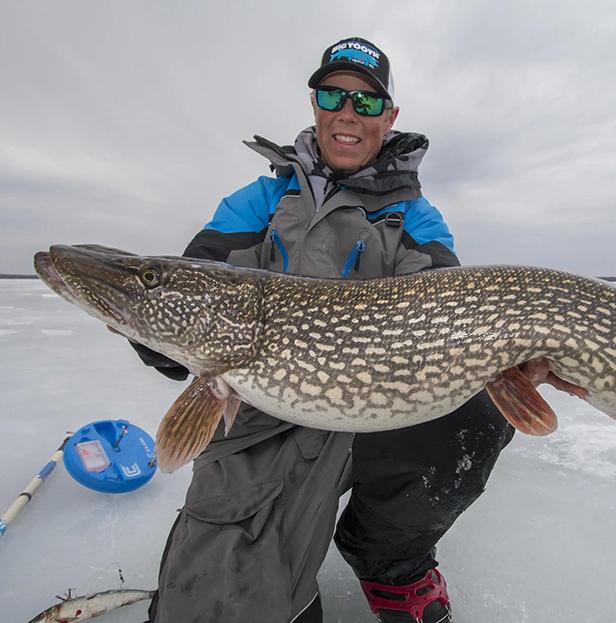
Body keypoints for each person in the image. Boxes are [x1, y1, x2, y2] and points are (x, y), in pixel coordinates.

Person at [132, 37, 514, 623]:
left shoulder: (416, 218)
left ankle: (390, 559)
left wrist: (514, 358)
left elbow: (443, 321)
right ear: (315, 104)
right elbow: (200, 281)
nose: (347, 112)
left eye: (366, 102)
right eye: (333, 94)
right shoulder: (257, 200)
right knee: (219, 602)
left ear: (389, 118)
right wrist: (153, 327)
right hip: (257, 406)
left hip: (382, 402)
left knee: (472, 413)